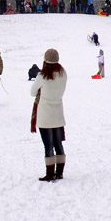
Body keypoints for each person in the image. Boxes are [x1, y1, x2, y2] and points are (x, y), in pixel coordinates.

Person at [31, 48, 69, 182]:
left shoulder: (42, 76)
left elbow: (32, 92)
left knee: (48, 145)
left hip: (45, 116)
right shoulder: (63, 73)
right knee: (58, 143)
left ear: (45, 60)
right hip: (58, 114)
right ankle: (59, 173)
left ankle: (50, 173)